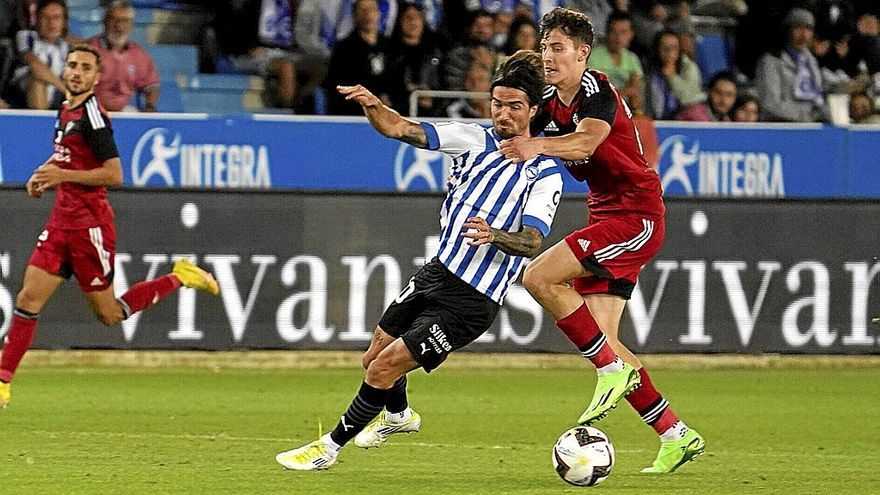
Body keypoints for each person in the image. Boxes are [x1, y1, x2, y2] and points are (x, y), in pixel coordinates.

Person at [274, 50, 564, 471]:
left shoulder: (545, 173)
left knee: (385, 367)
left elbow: (533, 241)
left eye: (515, 106)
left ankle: (327, 449)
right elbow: (401, 128)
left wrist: (494, 235)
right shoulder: (472, 138)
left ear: (533, 110)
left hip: (473, 299)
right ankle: (398, 416)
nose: (503, 114)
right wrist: (373, 105)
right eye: (498, 103)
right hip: (438, 272)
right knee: (373, 357)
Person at [499, 7, 705, 474]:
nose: (548, 56)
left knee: (538, 277)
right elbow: (517, 133)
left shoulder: (598, 91)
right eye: (545, 47)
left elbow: (586, 144)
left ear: (582, 54)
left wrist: (538, 145)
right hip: (608, 213)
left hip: (636, 216)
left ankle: (613, 372)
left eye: (557, 48)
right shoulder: (548, 101)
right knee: (607, 346)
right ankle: (675, 433)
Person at [0, 45, 219, 409]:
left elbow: (114, 174)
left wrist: (62, 175)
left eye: (85, 68)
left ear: (96, 77)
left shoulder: (94, 116)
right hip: (60, 223)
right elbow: (67, 158)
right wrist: (44, 176)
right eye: (71, 65)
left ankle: (180, 276)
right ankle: (3, 381)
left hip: (90, 229)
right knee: (27, 299)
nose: (76, 72)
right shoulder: (65, 108)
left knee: (109, 314)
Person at [755, 8, 829, 122]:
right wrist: (807, 117)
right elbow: (770, 104)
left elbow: (818, 96)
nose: (804, 35)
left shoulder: (812, 62)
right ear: (788, 30)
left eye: (808, 29)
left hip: (812, 127)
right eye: (798, 28)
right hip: (782, 127)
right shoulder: (771, 61)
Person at [87, 1, 160, 112]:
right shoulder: (89, 50)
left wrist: (149, 105)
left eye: (124, 21)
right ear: (105, 22)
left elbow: (152, 86)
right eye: (114, 20)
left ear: (131, 24)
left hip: (124, 110)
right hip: (92, 109)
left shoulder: (138, 54)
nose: (119, 26)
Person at [322, 0, 391, 115]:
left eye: (371, 9)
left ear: (379, 13)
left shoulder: (390, 46)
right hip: (355, 111)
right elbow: (339, 85)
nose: (367, 14)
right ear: (355, 15)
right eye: (363, 10)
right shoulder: (344, 48)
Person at [587, 10, 644, 113]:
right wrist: (625, 91)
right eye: (614, 32)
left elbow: (635, 91)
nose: (619, 38)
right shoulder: (593, 57)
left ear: (631, 34)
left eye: (623, 32)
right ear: (607, 33)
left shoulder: (632, 59)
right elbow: (597, 93)